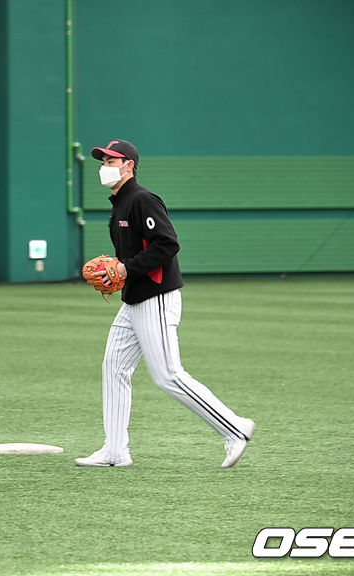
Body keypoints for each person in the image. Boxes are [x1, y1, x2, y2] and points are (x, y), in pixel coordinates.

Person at [76, 139, 255, 469]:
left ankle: (235, 429)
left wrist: (125, 269)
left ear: (129, 166)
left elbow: (167, 244)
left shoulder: (142, 199)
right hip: (134, 301)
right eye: (102, 161)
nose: (104, 167)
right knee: (114, 367)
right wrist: (118, 271)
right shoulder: (120, 205)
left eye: (111, 161)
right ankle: (115, 450)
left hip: (156, 298)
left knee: (168, 375)